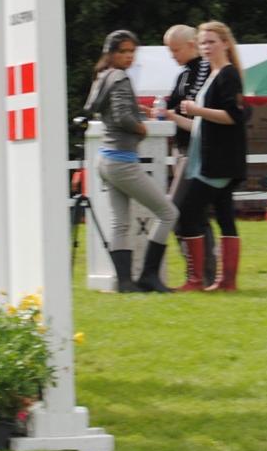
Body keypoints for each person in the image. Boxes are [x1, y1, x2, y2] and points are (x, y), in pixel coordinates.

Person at [84, 29, 179, 292]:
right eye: (122, 52)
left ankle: (125, 282)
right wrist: (142, 128)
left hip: (105, 159)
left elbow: (104, 110)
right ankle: (149, 276)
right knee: (168, 213)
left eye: (131, 52)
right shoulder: (121, 78)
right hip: (122, 161)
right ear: (111, 53)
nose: (128, 57)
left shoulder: (102, 77)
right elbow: (123, 116)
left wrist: (138, 110)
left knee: (121, 223)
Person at [165, 20, 248, 291]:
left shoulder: (228, 75)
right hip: (209, 158)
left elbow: (233, 117)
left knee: (187, 212)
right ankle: (227, 281)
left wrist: (197, 110)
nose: (207, 47)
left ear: (225, 43)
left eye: (212, 41)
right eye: (203, 43)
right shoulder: (214, 75)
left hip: (218, 163)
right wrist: (173, 116)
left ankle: (196, 279)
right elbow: (200, 127)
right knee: (224, 217)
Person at [159, 24, 215, 284]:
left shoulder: (204, 70)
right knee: (192, 213)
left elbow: (194, 113)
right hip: (182, 150)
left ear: (191, 44)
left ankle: (200, 274)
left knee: (179, 210)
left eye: (176, 49)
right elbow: (171, 107)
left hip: (197, 151)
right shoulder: (182, 75)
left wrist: (172, 114)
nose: (172, 55)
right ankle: (201, 275)